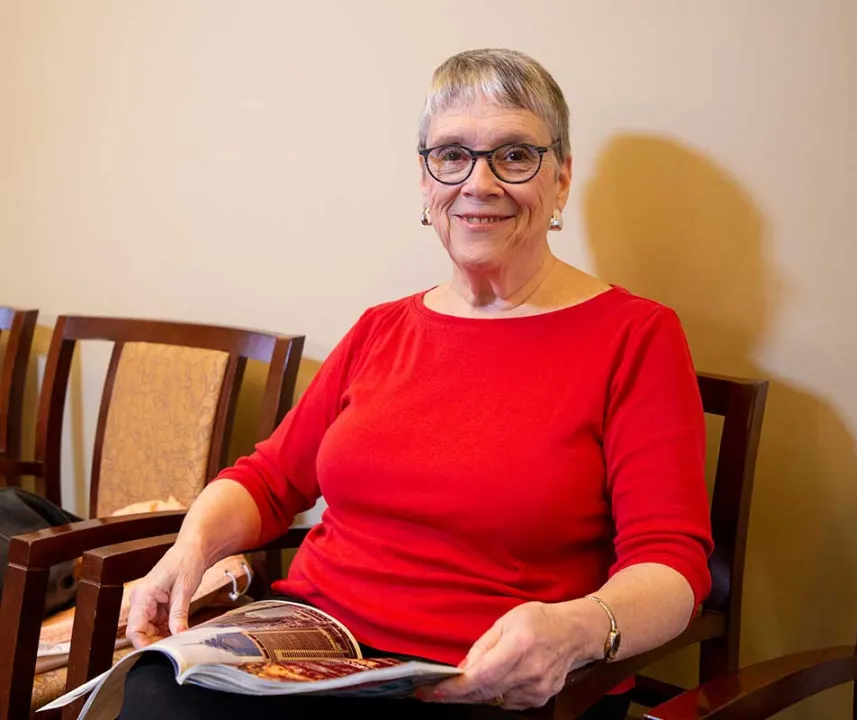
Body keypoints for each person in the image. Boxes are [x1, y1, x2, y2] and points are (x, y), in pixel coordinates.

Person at [120, 48, 713, 719]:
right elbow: (268, 481)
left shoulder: (636, 336)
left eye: (514, 156)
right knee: (156, 694)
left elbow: (672, 567)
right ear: (425, 179)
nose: (479, 183)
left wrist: (577, 628)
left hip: (485, 680)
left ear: (562, 178)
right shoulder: (382, 328)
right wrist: (191, 547)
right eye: (452, 155)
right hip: (317, 650)